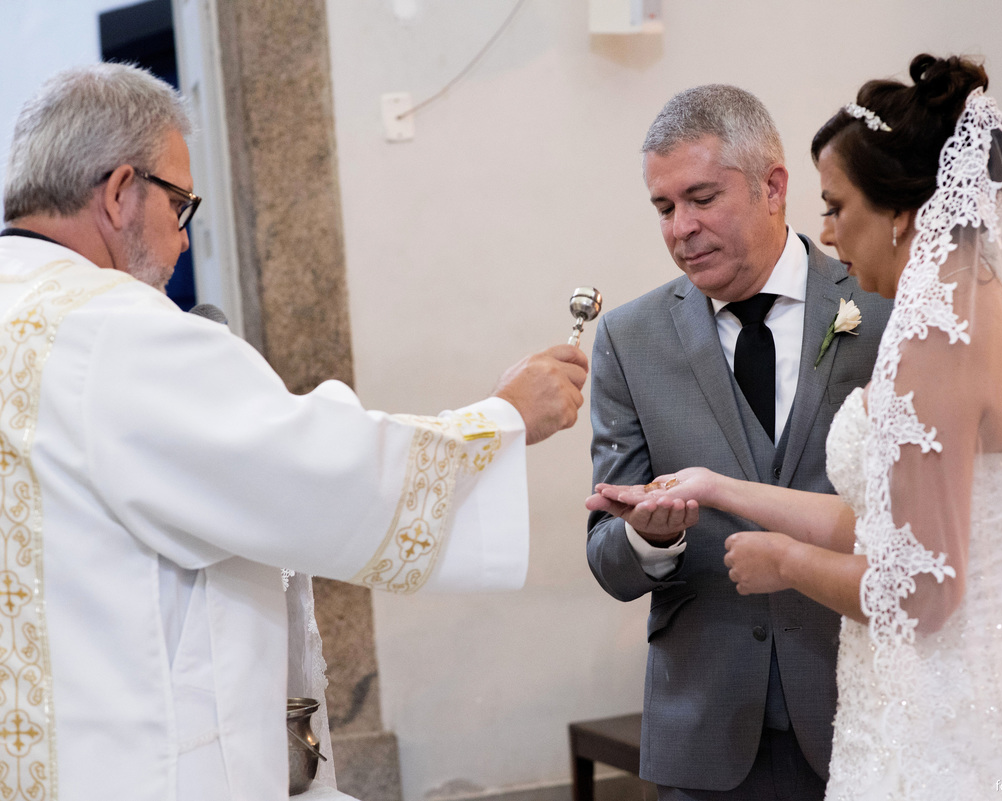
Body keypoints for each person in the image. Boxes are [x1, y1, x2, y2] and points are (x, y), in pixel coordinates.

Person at [594, 55, 1002, 799]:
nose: (830, 231)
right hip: (931, 706)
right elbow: (895, 521)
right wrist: (717, 488)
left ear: (901, 211)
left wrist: (784, 562)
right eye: (663, 208)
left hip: (950, 727)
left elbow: (924, 588)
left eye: (838, 205)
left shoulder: (927, 331)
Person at [0, 63, 588, 801]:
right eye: (180, 205)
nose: (183, 242)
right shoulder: (116, 332)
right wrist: (500, 420)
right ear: (121, 192)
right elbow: (312, 474)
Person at [584, 84, 890, 799]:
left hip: (863, 711)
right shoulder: (630, 340)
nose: (680, 227)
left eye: (701, 197)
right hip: (707, 733)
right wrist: (648, 541)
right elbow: (607, 555)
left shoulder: (877, 310)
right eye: (663, 208)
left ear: (773, 186)